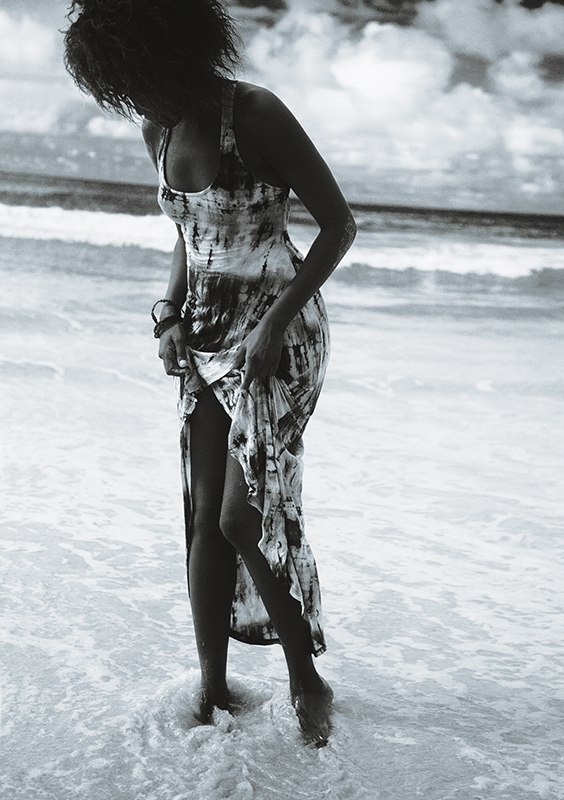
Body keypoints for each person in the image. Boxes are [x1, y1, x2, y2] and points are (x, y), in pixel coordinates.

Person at [64, 0, 356, 747]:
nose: (134, 97)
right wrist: (167, 314)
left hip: (278, 340)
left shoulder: (254, 115)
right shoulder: (156, 129)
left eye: (137, 79)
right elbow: (189, 237)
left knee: (239, 519)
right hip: (206, 335)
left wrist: (274, 322)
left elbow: (338, 225)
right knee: (202, 520)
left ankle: (306, 679)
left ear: (170, 55)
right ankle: (212, 684)